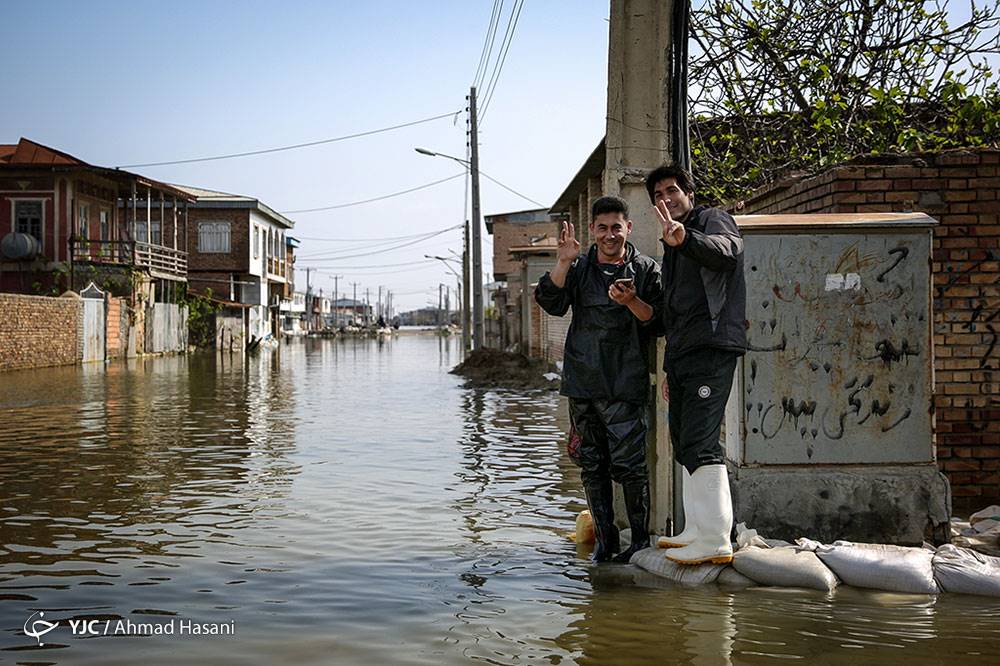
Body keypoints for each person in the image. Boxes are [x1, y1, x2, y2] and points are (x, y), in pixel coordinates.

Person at [535, 195, 662, 563]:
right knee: (591, 466)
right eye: (602, 228)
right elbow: (552, 301)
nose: (610, 235)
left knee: (630, 466)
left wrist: (631, 303)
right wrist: (562, 260)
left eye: (616, 228)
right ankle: (606, 543)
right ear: (592, 230)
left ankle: (638, 541)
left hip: (625, 383)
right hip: (583, 383)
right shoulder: (579, 268)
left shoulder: (646, 269)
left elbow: (657, 321)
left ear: (628, 228)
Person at [646, 164, 747, 566]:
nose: (666, 199)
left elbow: (727, 253)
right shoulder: (672, 247)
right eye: (658, 195)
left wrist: (685, 237)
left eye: (672, 190)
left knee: (703, 440)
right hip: (686, 354)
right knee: (685, 438)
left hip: (712, 345)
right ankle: (697, 529)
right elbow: (673, 314)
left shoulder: (711, 220)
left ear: (688, 192)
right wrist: (670, 369)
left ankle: (718, 538)